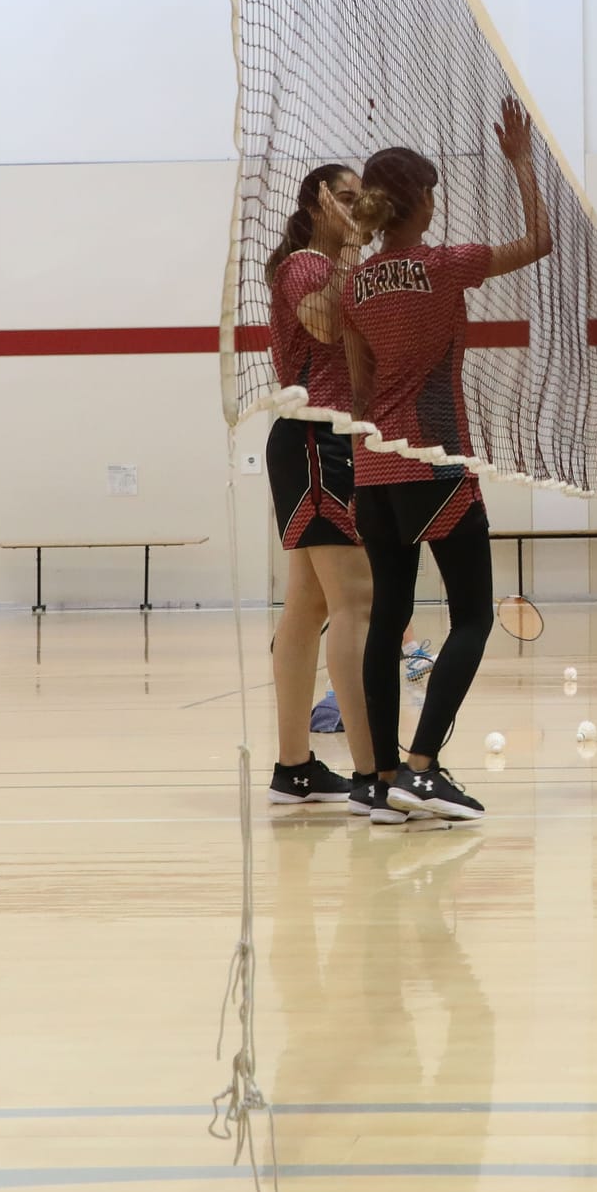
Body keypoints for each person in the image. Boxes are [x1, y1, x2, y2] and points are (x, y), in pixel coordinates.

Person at [345, 98, 551, 825]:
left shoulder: (354, 285)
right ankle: (423, 768)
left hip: (372, 470)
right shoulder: (442, 265)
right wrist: (521, 162)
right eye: (431, 192)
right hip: (434, 463)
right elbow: (540, 240)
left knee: (387, 620)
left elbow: (360, 388)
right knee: (471, 617)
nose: (437, 203)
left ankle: (380, 779)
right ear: (419, 202)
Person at [264, 164, 375, 807]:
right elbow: (327, 327)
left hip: (327, 441)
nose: (360, 209)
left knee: (308, 609)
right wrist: (353, 247)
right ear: (319, 205)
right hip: (318, 441)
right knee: (356, 602)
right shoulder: (306, 266)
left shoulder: (335, 266)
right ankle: (372, 774)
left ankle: (295, 769)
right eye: (348, 199)